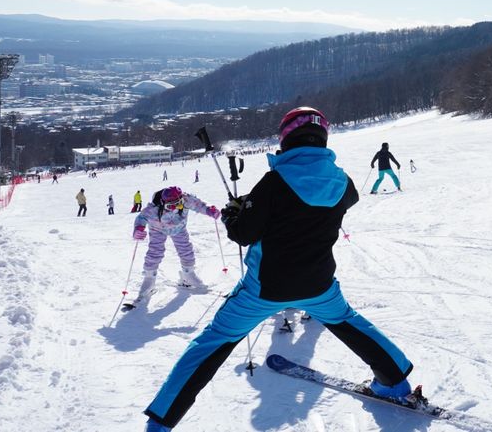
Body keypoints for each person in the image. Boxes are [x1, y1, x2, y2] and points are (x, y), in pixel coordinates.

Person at [142, 107, 415, 431]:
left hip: (265, 289)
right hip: (319, 284)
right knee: (347, 322)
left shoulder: (274, 182)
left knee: (213, 341)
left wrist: (235, 213)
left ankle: (161, 421)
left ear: (287, 140)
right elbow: (335, 202)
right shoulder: (343, 182)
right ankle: (395, 381)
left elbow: (243, 233)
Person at [132, 186, 220, 299]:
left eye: (178, 204)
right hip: (157, 229)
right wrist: (138, 228)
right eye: (170, 206)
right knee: (155, 252)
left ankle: (188, 274)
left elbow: (199, 205)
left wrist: (209, 210)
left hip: (179, 228)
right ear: (163, 203)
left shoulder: (186, 200)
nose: (175, 208)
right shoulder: (153, 209)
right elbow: (141, 217)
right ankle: (149, 279)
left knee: (186, 249)